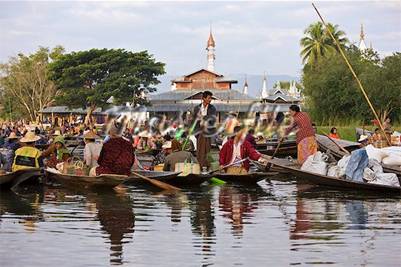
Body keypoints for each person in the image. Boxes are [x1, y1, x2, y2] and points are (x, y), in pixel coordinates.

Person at [192, 91, 217, 170]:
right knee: (200, 150)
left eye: (211, 98)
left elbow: (213, 120)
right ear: (203, 98)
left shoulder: (212, 108)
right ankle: (199, 166)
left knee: (207, 149)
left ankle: (207, 166)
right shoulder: (196, 108)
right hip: (199, 132)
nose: (210, 100)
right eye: (209, 98)